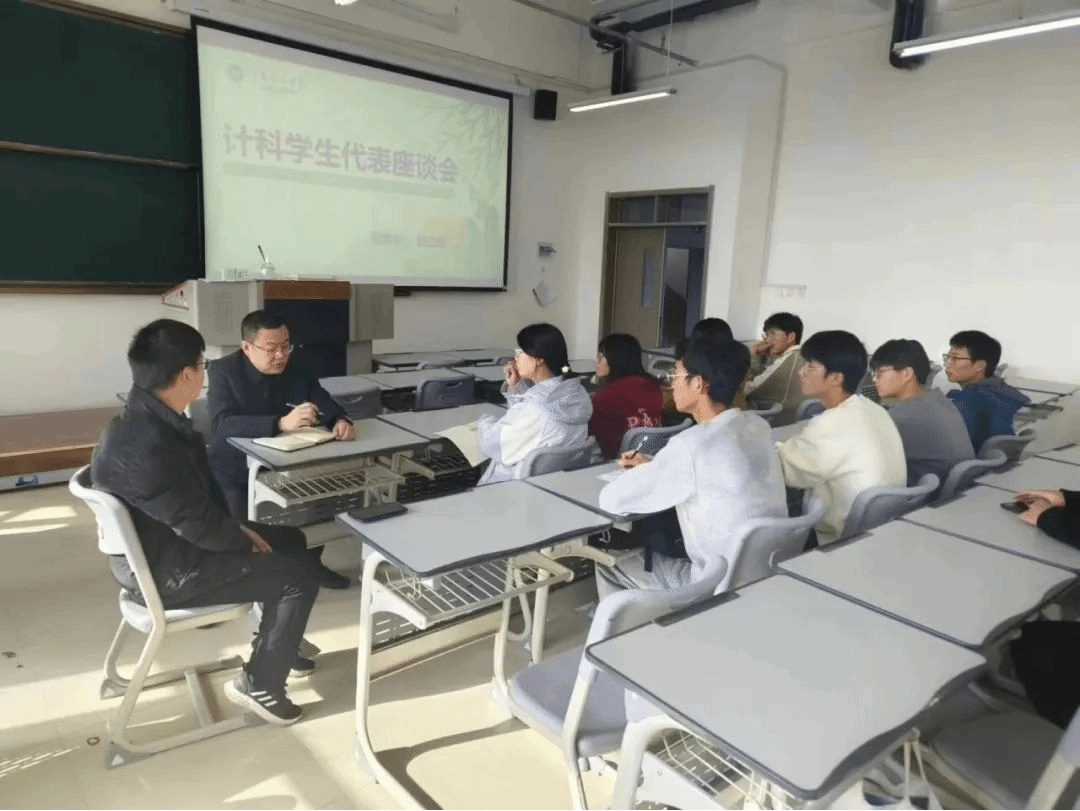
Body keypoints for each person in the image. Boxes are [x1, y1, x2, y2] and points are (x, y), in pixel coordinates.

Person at [91, 319, 322, 726]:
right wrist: (241, 538)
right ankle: (261, 683)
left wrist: (238, 530)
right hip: (166, 570)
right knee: (298, 577)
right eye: (202, 365)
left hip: (164, 543)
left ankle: (279, 644)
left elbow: (193, 512)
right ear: (186, 375)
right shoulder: (148, 445)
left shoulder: (144, 419)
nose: (205, 373)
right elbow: (197, 525)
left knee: (292, 540)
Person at [596, 336, 787, 592]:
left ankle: (619, 620)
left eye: (675, 375)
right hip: (764, 571)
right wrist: (656, 465)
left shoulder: (692, 445)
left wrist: (649, 471)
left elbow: (612, 501)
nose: (670, 384)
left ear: (698, 383)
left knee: (608, 559)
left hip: (712, 582)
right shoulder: (757, 426)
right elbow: (709, 468)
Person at [207, 311, 354, 589]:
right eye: (271, 349)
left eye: (286, 346)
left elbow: (320, 397)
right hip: (235, 468)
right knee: (239, 532)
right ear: (247, 347)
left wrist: (339, 419)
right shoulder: (223, 371)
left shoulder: (299, 364)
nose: (281, 355)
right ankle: (241, 580)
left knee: (318, 506)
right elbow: (221, 424)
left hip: (289, 459)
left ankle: (311, 565)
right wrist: (280, 423)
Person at [776, 330, 906, 544]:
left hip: (837, 539)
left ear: (836, 378)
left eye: (810, 366)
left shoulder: (831, 424)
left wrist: (775, 448)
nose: (801, 372)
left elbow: (788, 472)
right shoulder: (875, 410)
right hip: (879, 531)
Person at [474, 323, 592, 485]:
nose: (516, 358)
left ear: (538, 359)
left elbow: (494, 445)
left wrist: (483, 423)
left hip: (511, 487)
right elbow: (528, 426)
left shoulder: (537, 409)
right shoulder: (576, 393)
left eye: (521, 351)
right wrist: (515, 387)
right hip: (554, 484)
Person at [870, 339, 975, 487]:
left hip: (922, 495)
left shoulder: (901, 417)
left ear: (907, 374)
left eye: (880, 372)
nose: (874, 379)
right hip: (952, 492)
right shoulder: (939, 400)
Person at [944, 330, 1030, 452]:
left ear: (979, 365)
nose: (947, 364)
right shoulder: (1011, 393)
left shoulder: (966, 402)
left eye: (955, 358)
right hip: (996, 460)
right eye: (947, 357)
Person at [589, 333, 663, 459]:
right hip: (649, 457)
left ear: (616, 359)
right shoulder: (653, 386)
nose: (597, 361)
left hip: (616, 460)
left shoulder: (606, 396)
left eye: (601, 356)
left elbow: (591, 433)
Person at [744, 312, 808, 424]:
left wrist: (753, 353)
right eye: (766, 335)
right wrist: (762, 358)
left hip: (779, 421)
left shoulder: (789, 358)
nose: (767, 340)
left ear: (791, 337)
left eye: (772, 334)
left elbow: (748, 390)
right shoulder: (802, 355)